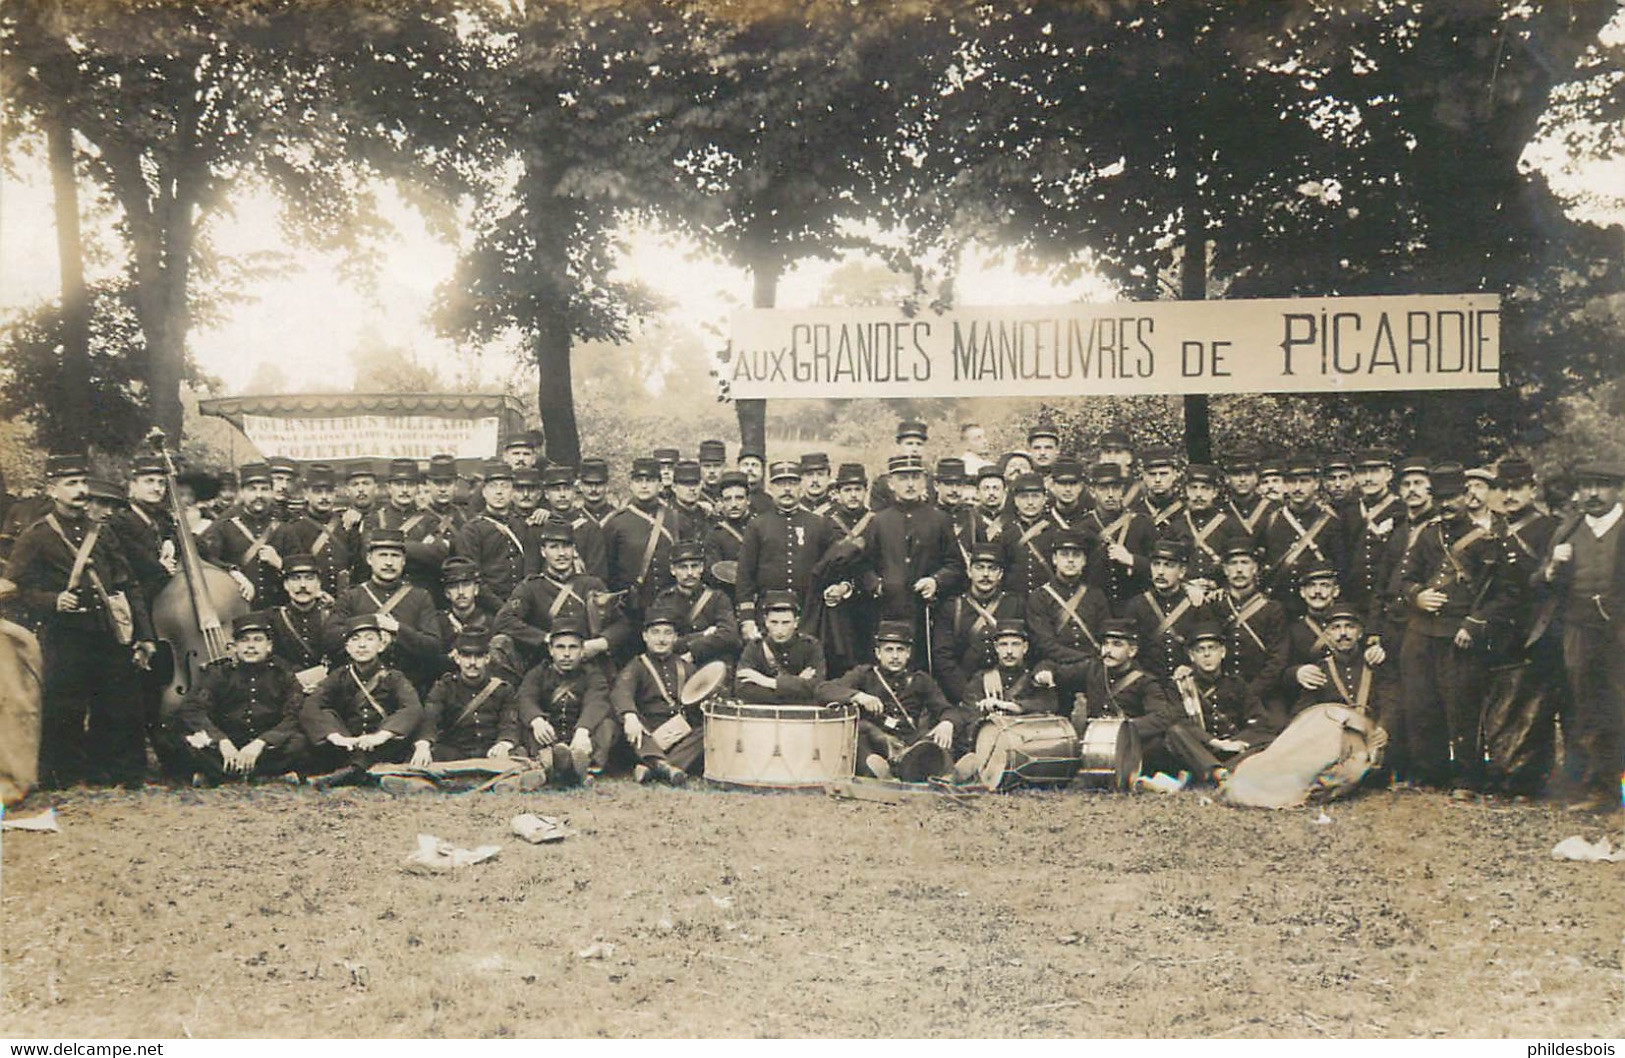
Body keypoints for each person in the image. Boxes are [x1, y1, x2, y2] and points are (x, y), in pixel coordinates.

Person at [3, 453, 157, 788]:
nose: (80, 490)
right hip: (64, 633)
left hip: (107, 631)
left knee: (120, 703)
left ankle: (118, 773)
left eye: (83, 482)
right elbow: (15, 588)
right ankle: (64, 774)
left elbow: (126, 582)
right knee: (64, 706)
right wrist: (52, 600)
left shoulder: (102, 531)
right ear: (52, 489)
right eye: (71, 483)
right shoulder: (36, 535)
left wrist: (145, 635)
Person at [1399, 462, 1522, 794]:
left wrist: (1474, 624)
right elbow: (1406, 578)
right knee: (1422, 703)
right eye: (1440, 497)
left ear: (1467, 496)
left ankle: (1467, 778)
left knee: (1462, 706)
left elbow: (1507, 593)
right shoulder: (1427, 534)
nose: (1447, 504)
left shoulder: (1489, 539)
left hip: (1461, 634)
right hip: (1423, 630)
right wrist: (1418, 596)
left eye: (1453, 496)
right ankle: (1430, 772)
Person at [1538, 462, 1625, 814]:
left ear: (1618, 490)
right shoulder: (1568, 528)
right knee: (1587, 710)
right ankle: (1600, 790)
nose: (1592, 493)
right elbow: (1539, 579)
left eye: (1601, 485)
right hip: (1578, 630)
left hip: (1620, 632)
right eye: (1586, 485)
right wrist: (1551, 567)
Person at [166, 612, 309, 784]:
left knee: (299, 743)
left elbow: (293, 714)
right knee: (182, 738)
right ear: (234, 647)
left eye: (258, 640)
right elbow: (193, 709)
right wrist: (221, 741)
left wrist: (261, 743)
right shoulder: (218, 674)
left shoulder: (283, 675)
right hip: (227, 745)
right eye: (244, 640)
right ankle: (264, 775)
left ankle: (221, 774)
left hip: (266, 747)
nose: (250, 646)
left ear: (269, 646)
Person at [823, 620, 967, 781]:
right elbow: (824, 690)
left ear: (908, 653)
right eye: (889, 650)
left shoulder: (921, 680)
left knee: (939, 737)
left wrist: (947, 723)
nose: (895, 656)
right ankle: (885, 774)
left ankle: (949, 774)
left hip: (910, 746)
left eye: (900, 650)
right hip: (877, 745)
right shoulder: (864, 675)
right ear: (878, 653)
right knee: (859, 738)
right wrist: (858, 696)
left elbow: (947, 709)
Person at [301, 613, 425, 789]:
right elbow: (312, 705)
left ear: (381, 645)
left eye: (369, 639)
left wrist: (382, 736)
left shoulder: (394, 677)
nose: (362, 645)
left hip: (381, 746)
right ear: (348, 648)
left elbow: (411, 707)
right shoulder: (339, 676)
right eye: (355, 639)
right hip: (348, 744)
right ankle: (362, 773)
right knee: (325, 713)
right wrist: (336, 737)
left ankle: (346, 775)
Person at [861, 454, 966, 662]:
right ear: (891, 483)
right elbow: (863, 565)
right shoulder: (878, 522)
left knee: (923, 667)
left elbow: (956, 565)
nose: (910, 484)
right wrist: (877, 585)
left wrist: (935, 581)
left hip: (926, 613)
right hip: (888, 610)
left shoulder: (939, 520)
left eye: (915, 477)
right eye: (902, 478)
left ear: (924, 481)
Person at [399, 630, 531, 794]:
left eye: (478, 657)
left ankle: (508, 783)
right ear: (457, 658)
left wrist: (504, 743)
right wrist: (423, 744)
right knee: (424, 755)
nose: (472, 663)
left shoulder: (503, 689)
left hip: (490, 750)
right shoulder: (444, 687)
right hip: (455, 750)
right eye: (466, 657)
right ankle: (421, 784)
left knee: (518, 754)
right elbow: (430, 718)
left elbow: (509, 723)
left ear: (487, 659)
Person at [324, 529, 446, 693]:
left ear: (403, 561)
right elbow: (330, 639)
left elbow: (433, 647)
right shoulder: (352, 596)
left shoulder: (420, 597)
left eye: (395, 556)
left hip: (410, 686)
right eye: (382, 555)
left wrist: (397, 629)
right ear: (369, 559)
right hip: (360, 688)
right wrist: (369, 627)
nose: (389, 562)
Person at [494, 522, 628, 673]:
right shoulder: (531, 587)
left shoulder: (591, 584)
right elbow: (504, 620)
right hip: (546, 668)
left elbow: (621, 623)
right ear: (543, 551)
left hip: (589, 668)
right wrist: (546, 639)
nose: (561, 554)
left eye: (566, 547)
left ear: (574, 550)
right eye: (554, 547)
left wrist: (599, 644)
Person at [1163, 624, 1279, 784]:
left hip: (1233, 748)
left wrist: (1236, 743)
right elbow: (1179, 721)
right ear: (1191, 656)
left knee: (1270, 739)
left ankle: (1213, 771)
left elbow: (1259, 720)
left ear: (1222, 652)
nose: (1207, 654)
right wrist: (1217, 743)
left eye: (1212, 648)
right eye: (1200, 650)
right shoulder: (1179, 686)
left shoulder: (1237, 684)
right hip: (1200, 747)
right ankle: (1221, 773)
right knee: (1175, 732)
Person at [735, 461, 838, 638]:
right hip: (768, 613)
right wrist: (747, 619)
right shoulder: (757, 525)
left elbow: (833, 565)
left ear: (801, 486)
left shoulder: (819, 524)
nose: (787, 489)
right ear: (771, 488)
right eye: (781, 484)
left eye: (792, 483)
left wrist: (839, 586)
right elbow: (745, 574)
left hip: (809, 612)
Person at [1064, 619, 1179, 774]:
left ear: (1132, 651)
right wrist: (1044, 671)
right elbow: (1059, 671)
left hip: (1130, 744)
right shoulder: (1092, 669)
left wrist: (1124, 729)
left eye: (1117, 644)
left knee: (1156, 746)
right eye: (1105, 644)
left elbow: (1161, 717)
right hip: (1094, 742)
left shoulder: (1145, 681)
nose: (1108, 650)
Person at [515, 619, 617, 783]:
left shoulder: (593, 674)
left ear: (582, 650)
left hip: (580, 740)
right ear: (550, 650)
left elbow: (597, 701)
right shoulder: (538, 673)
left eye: (573, 647)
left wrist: (583, 730)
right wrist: (537, 720)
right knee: (525, 725)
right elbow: (526, 697)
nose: (567, 654)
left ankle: (583, 766)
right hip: (549, 738)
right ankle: (550, 764)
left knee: (607, 726)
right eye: (560, 647)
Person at [611, 602, 702, 785]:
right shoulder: (637, 665)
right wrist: (630, 716)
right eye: (655, 632)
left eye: (668, 633)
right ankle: (666, 767)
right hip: (649, 729)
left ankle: (656, 766)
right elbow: (622, 692)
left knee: (707, 732)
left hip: (679, 730)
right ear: (645, 636)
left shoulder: (686, 667)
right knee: (634, 728)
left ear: (676, 637)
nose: (661, 639)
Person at [931, 542, 1025, 703]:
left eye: (992, 569)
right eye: (979, 567)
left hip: (1009, 692)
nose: (986, 574)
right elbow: (943, 657)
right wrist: (969, 695)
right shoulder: (952, 607)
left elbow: (1027, 651)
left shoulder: (1015, 604)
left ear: (1001, 574)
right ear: (969, 571)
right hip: (964, 691)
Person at [1024, 529, 1111, 700]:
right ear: (1055, 560)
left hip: (1095, 670)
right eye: (1064, 554)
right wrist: (1086, 659)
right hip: (1056, 667)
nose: (1070, 560)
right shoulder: (1039, 597)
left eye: (1076, 555)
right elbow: (1044, 644)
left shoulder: (1095, 595)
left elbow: (1105, 634)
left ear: (1084, 561)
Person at [603, 457, 689, 622]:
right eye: (639, 480)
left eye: (650, 480)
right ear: (631, 484)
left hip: (672, 608)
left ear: (660, 484)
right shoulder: (616, 523)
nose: (644, 485)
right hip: (631, 611)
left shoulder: (677, 520)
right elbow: (608, 571)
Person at [1120, 540, 1215, 683]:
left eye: (1169, 566)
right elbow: (1129, 651)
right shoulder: (1136, 605)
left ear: (1182, 571)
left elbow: (1207, 646)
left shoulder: (1195, 603)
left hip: (1188, 681)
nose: (1160, 572)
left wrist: (1192, 668)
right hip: (1147, 683)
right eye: (1156, 564)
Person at [1262, 454, 1347, 610]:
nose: (1298, 488)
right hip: (1279, 606)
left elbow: (1340, 568)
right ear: (1285, 485)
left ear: (1316, 484)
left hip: (1316, 605)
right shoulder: (1272, 520)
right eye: (1292, 482)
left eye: (1304, 481)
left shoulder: (1330, 522)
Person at [1212, 543, 1288, 711]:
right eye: (1233, 563)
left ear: (1255, 568)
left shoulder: (1272, 609)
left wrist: (1251, 693)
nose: (1239, 570)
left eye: (1245, 563)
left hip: (1263, 694)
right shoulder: (1215, 605)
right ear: (1225, 570)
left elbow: (1277, 660)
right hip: (1223, 692)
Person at [197, 462, 284, 607]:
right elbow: (205, 555)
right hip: (238, 607)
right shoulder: (226, 524)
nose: (259, 495)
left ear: (272, 492)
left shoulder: (284, 524)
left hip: (277, 610)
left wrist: (280, 563)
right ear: (242, 492)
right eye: (252, 489)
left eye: (264, 489)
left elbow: (300, 564)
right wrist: (231, 570)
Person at [456, 461, 534, 612]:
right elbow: (472, 578)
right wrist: (502, 609)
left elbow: (531, 570)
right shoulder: (472, 530)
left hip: (524, 606)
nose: (499, 492)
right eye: (493, 486)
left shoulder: (522, 525)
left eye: (505, 486)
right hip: (488, 609)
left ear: (512, 492)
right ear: (484, 492)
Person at [651, 541, 742, 668]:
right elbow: (662, 640)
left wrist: (693, 651)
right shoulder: (664, 600)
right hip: (676, 664)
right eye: (683, 567)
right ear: (673, 570)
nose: (689, 573)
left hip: (713, 662)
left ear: (701, 568)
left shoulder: (718, 598)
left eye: (694, 566)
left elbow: (729, 636)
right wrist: (703, 635)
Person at [1081, 462, 1155, 607]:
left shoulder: (1142, 524)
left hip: (1135, 607)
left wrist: (1132, 560)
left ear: (1122, 490)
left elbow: (1158, 568)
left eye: (1115, 488)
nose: (1110, 495)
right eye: (1103, 489)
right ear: (1092, 491)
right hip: (1096, 608)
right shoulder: (1082, 528)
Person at [959, 620, 1058, 727]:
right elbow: (970, 718)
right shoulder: (981, 679)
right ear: (996, 647)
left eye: (1015, 644)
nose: (1009, 651)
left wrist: (1012, 706)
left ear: (1025, 648)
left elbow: (1050, 705)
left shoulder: (1034, 677)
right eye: (1003, 645)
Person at [270, 463, 350, 595]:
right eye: (317, 491)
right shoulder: (294, 527)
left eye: (329, 491)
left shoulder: (346, 524)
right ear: (306, 493)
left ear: (335, 493)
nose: (324, 497)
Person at [1167, 464, 1251, 589]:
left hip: (1221, 590)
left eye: (1205, 488)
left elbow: (1241, 561)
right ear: (1186, 491)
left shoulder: (1231, 524)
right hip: (1186, 591)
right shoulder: (1176, 525)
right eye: (1193, 488)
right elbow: (1169, 563)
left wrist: (1216, 583)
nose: (1198, 494)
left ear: (1215, 492)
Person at [735, 590, 828, 704]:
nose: (780, 630)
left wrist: (766, 682)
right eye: (774, 622)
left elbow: (817, 687)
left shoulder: (811, 646)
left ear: (796, 622)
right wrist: (797, 684)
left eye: (786, 623)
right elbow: (742, 690)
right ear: (766, 622)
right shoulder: (755, 647)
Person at [268, 554, 332, 690]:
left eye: (309, 579)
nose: (303, 585)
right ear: (285, 585)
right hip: (287, 688)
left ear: (319, 584)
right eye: (295, 579)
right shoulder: (274, 618)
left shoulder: (331, 615)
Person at [534, 465, 608, 581]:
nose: (562, 494)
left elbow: (597, 573)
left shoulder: (589, 528)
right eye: (556, 490)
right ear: (546, 494)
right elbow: (531, 573)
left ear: (574, 492)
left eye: (567, 489)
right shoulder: (538, 527)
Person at [1003, 473, 1058, 598]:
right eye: (1024, 497)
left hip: (1047, 599)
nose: (1030, 502)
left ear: (1044, 499)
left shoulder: (1055, 530)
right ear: (1015, 500)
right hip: (1014, 599)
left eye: (1035, 496)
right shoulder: (1006, 532)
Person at [1135, 445, 1184, 531]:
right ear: (1143, 476)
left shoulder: (1184, 512)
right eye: (1152, 474)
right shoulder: (1135, 514)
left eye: (1163, 474)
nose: (1157, 480)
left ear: (1175, 475)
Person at [578, 458, 618, 525]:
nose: (593, 489)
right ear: (580, 486)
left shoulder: (617, 518)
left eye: (599, 484)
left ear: (607, 486)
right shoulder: (574, 519)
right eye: (588, 484)